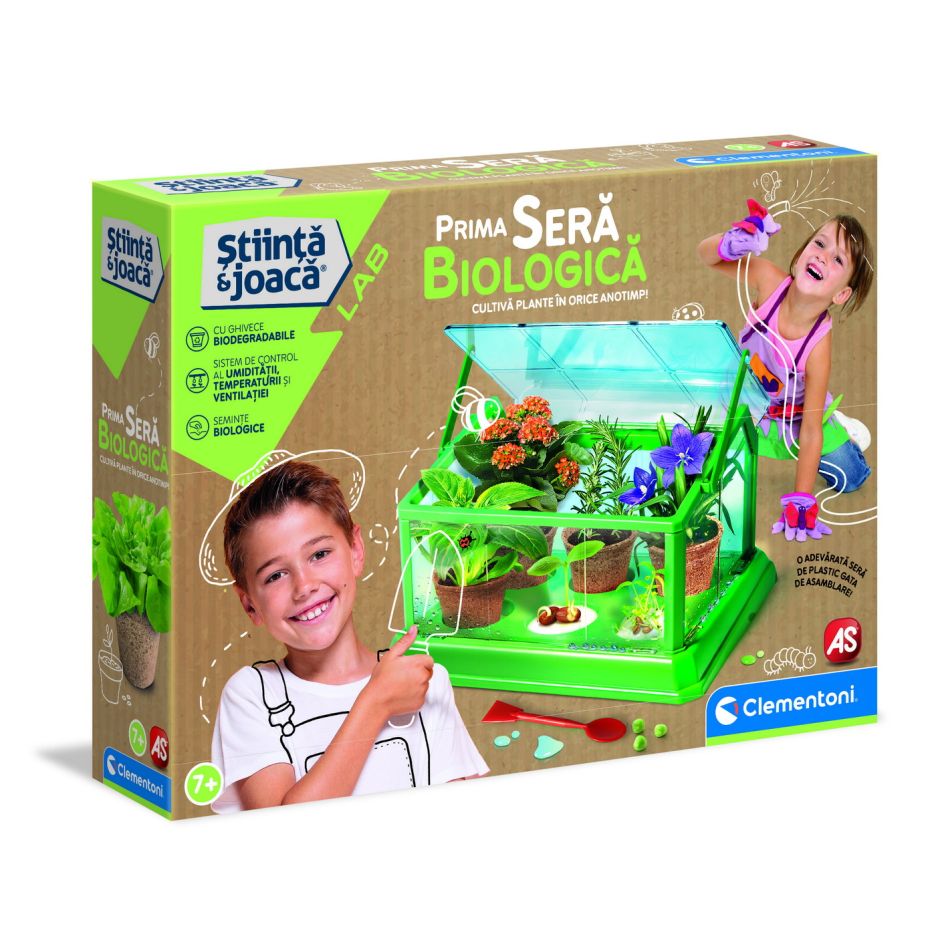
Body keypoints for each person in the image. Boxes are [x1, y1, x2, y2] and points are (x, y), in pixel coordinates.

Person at [211, 460, 488, 812]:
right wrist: (375, 703)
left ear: (356, 551)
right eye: (275, 575)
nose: (304, 586)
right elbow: (281, 828)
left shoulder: (423, 682)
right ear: (250, 604)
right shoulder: (253, 696)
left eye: (319, 554)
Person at [698, 203, 875, 508]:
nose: (822, 256)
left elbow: (810, 430)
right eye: (819, 243)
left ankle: (842, 428)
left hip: (796, 416)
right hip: (743, 400)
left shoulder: (818, 346)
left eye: (838, 259)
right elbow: (705, 256)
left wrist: (801, 500)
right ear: (801, 252)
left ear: (841, 294)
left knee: (850, 477)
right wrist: (729, 243)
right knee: (699, 462)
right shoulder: (769, 280)